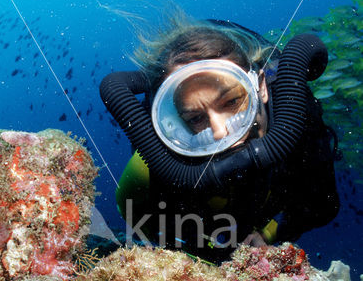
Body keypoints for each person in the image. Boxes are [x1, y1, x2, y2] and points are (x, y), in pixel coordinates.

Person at [100, 16, 339, 263]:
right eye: (195, 118)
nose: (219, 131)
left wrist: (268, 234)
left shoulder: (295, 121)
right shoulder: (156, 161)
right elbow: (131, 206)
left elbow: (322, 206)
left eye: (232, 102)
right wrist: (169, 249)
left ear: (261, 87)